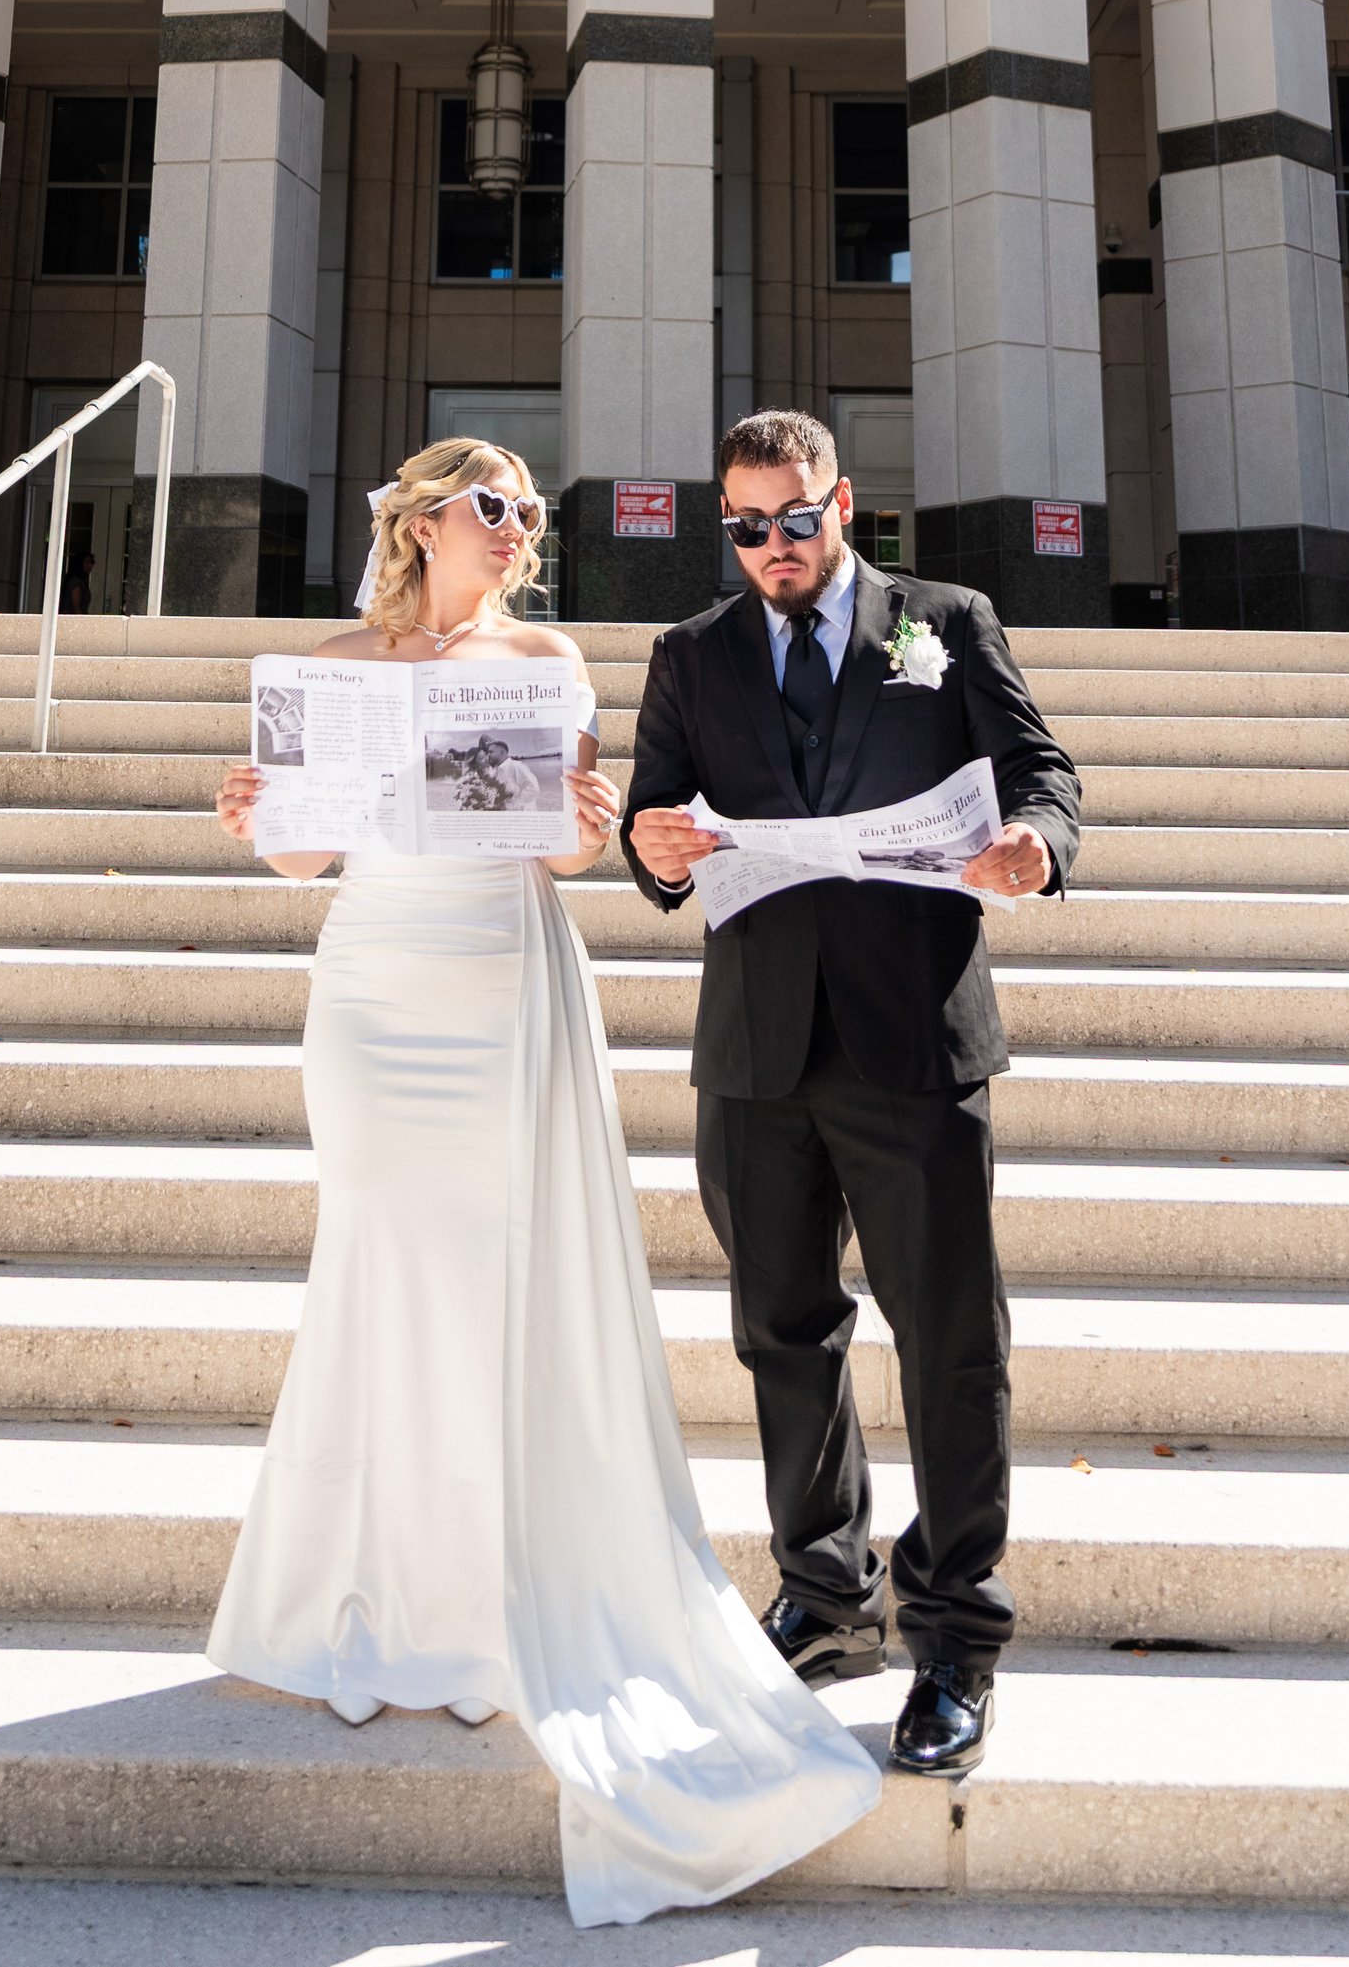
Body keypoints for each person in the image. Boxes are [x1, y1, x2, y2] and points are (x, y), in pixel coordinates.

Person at [208, 435, 882, 1926]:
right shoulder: (331, 663)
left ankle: (482, 1617)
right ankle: (381, 1606)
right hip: (376, 993)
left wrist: (586, 834)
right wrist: (261, 815)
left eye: (530, 510)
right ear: (425, 518)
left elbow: (559, 847)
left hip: (502, 982)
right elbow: (303, 864)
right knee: (384, 1270)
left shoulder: (549, 656)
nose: (520, 527)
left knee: (490, 1290)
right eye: (494, 504)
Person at [622, 407, 1084, 1781]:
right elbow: (658, 833)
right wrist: (653, 847)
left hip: (913, 1041)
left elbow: (1044, 773)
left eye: (796, 517)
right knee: (783, 1331)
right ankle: (825, 1599)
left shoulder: (938, 619)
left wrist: (1033, 848)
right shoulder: (688, 655)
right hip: (758, 1050)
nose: (773, 544)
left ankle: (954, 1632)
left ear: (844, 504)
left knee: (950, 1339)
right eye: (746, 523)